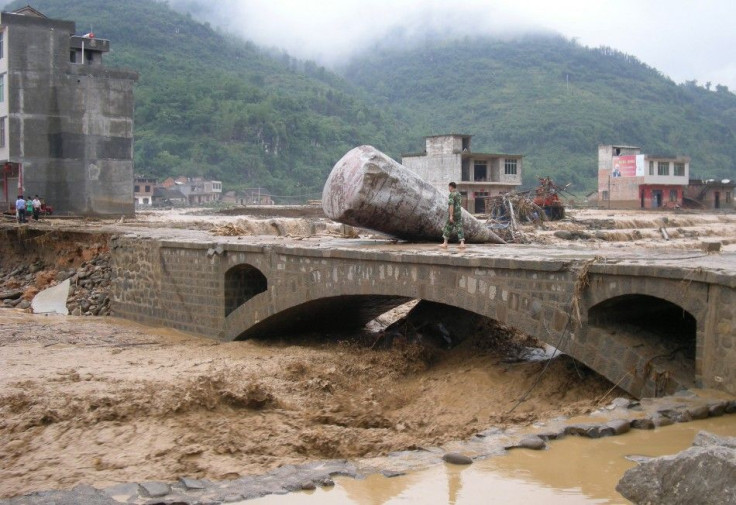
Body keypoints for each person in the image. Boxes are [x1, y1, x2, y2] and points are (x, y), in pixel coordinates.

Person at [440, 182, 465, 249]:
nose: (449, 188)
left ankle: (445, 243)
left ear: (451, 187)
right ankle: (462, 243)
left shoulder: (452, 194)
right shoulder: (458, 194)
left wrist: (451, 215)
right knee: (459, 227)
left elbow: (451, 205)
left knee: (448, 227)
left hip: (453, 213)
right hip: (458, 213)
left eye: (449, 187)